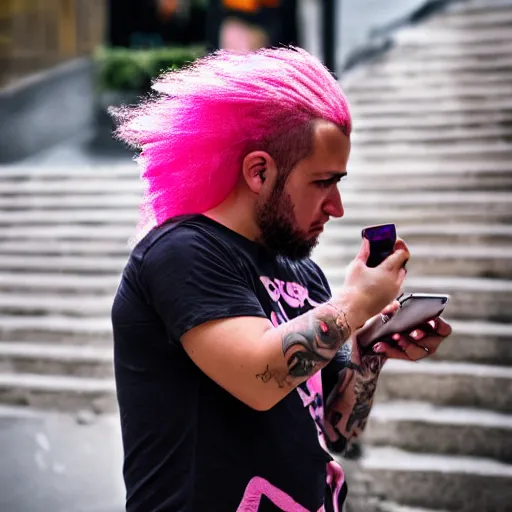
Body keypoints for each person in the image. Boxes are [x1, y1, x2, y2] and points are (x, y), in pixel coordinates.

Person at [111, 47, 451, 512]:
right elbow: (257, 378)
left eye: (339, 183)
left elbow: (338, 431)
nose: (337, 207)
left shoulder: (302, 271)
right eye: (322, 182)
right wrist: (353, 305)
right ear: (259, 171)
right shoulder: (182, 251)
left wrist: (369, 352)